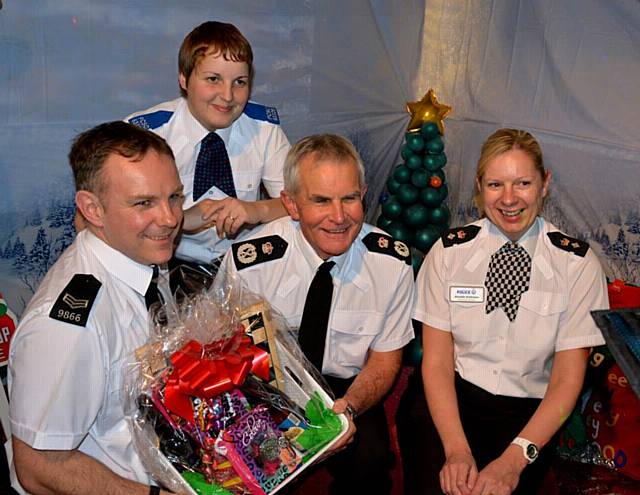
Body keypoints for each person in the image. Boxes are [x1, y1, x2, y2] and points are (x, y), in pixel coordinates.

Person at [411, 128, 608, 495]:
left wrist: (514, 459)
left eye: (523, 183)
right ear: (479, 186)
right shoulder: (449, 253)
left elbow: (567, 380)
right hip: (451, 399)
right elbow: (437, 362)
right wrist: (455, 450)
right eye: (495, 184)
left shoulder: (578, 266)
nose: (509, 199)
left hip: (530, 415)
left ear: (545, 184)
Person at [219, 134, 415, 494]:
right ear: (291, 205)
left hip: (346, 387)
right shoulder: (253, 264)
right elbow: (226, 352)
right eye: (321, 200)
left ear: (364, 193)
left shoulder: (392, 263)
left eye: (349, 198)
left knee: (371, 464)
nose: (339, 217)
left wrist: (348, 411)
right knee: (251, 474)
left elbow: (385, 359)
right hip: (266, 387)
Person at [8, 121, 184, 495]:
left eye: (175, 197)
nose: (169, 219)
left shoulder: (141, 258)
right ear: (92, 208)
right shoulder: (70, 327)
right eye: (144, 203)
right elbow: (38, 467)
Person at [126, 21, 290, 269]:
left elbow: (299, 202)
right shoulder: (147, 136)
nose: (227, 95)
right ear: (184, 78)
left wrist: (255, 211)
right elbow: (107, 220)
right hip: (163, 263)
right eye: (213, 79)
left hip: (246, 262)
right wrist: (180, 219)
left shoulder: (263, 129)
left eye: (240, 82)